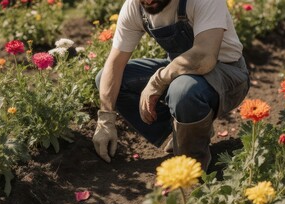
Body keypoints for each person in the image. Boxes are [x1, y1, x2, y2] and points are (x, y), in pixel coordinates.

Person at [92, 0, 250, 171]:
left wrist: (157, 80)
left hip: (227, 73)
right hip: (179, 72)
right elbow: (115, 64)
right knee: (106, 79)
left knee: (182, 90)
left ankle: (194, 166)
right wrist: (105, 120)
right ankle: (177, 135)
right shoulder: (134, 7)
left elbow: (205, 56)